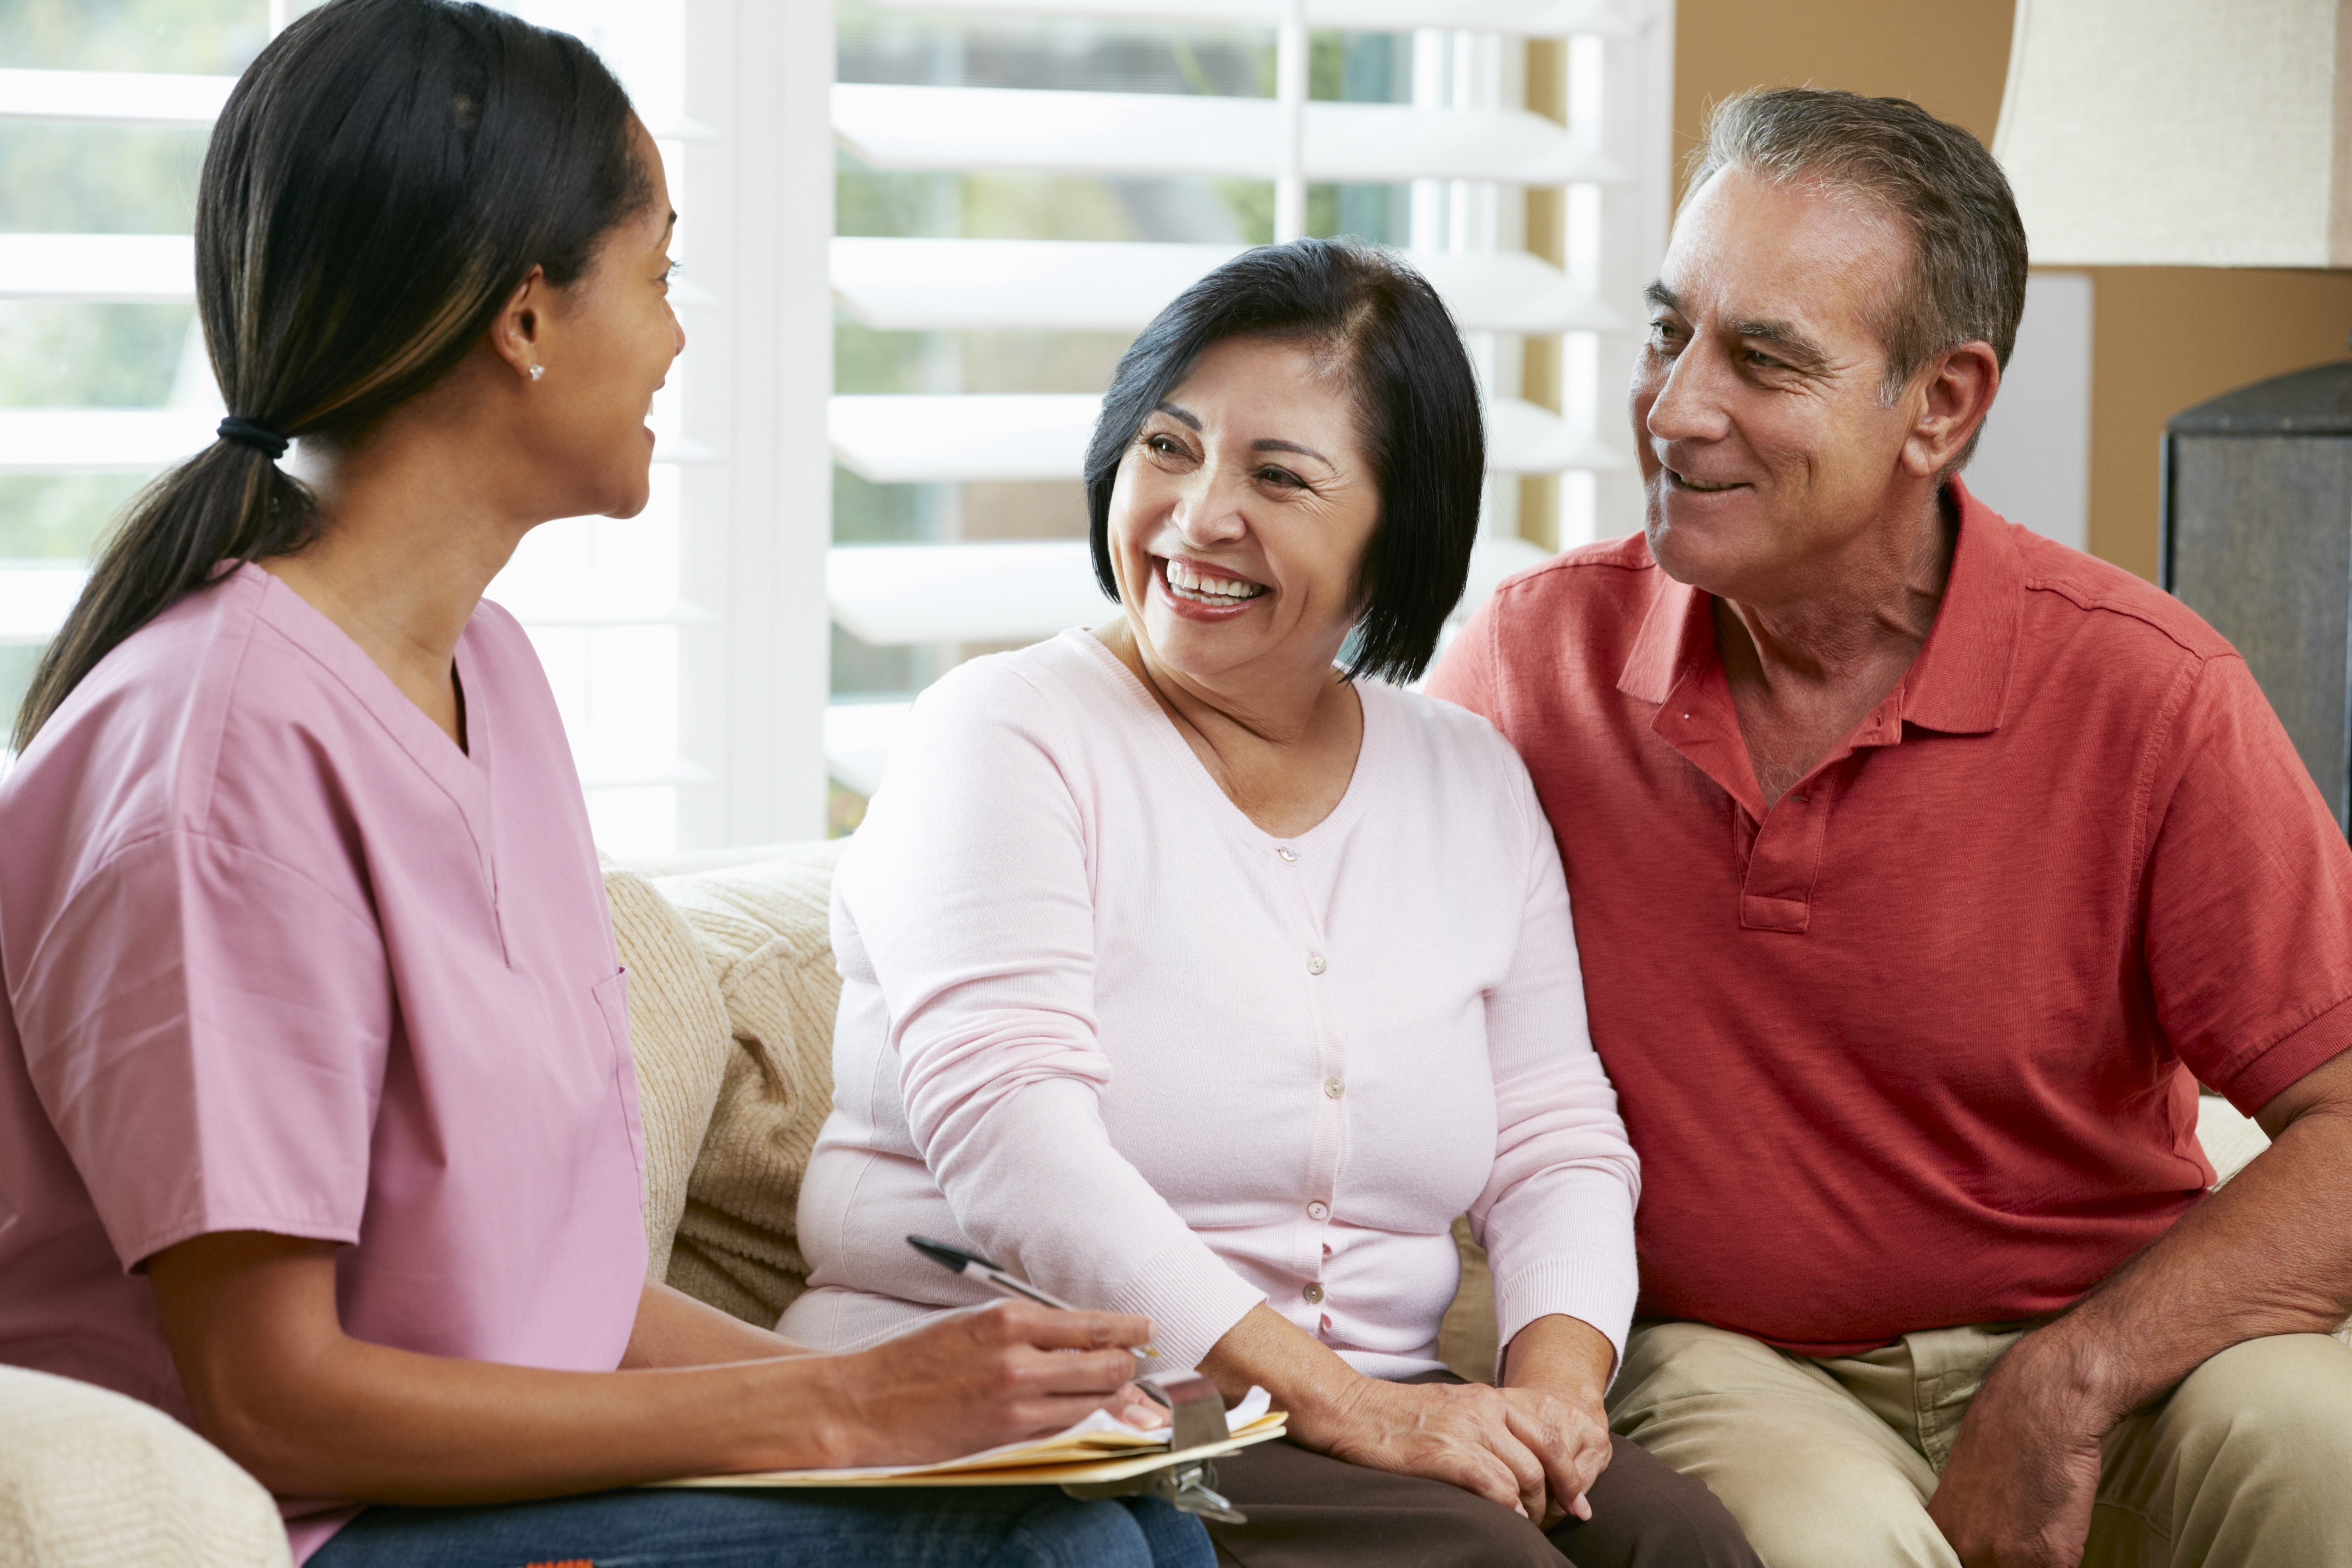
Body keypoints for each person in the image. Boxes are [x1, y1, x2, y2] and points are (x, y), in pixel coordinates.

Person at [0, 5, 1211, 1566]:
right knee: (1044, 1559)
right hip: (313, 1528)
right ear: (526, 320)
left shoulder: (485, 675)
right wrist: (847, 1420)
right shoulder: (222, 759)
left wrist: (942, 1403)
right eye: (660, 275)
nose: (681, 334)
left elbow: (550, 1309)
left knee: (1123, 1516)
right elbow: (273, 1404)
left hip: (480, 1493)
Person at [1428, 87, 2352, 1568]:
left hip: (2114, 1334)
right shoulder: (1532, 666)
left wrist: (2072, 1378)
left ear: (1943, 405)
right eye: (1669, 331)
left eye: (1764, 359)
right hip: (1741, 1361)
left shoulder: (2151, 693)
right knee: (1819, 1547)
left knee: (2329, 1455)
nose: (1674, 409)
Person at [782, 239, 1758, 1568]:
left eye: (1278, 477)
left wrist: (1556, 1397)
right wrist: (1349, 1407)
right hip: (1061, 1404)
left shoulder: (1468, 778)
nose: (1195, 518)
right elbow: (1015, 1140)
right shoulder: (1004, 732)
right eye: (1168, 450)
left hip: (1350, 1411)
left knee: (1682, 1545)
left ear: (1395, 532)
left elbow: (1554, 1137)